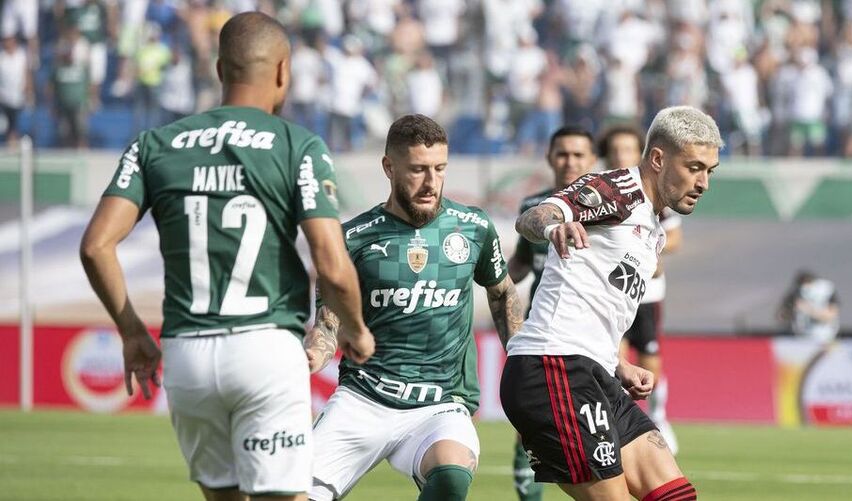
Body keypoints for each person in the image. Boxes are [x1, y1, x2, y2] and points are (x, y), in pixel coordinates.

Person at [79, 12, 372, 501]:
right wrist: (358, 330)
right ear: (283, 71)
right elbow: (330, 260)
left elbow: (95, 246)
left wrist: (132, 332)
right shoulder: (297, 146)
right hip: (265, 348)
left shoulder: (154, 145)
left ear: (219, 70)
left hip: (187, 353)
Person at [502, 105, 721, 500]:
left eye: (710, 170)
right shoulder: (618, 190)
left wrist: (617, 364)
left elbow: (591, 299)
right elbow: (535, 216)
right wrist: (555, 225)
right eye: (694, 167)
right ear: (657, 158)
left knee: (677, 497)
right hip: (553, 368)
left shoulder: (654, 228)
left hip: (595, 373)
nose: (703, 182)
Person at [306, 114, 524, 501]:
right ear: (389, 167)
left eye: (440, 169)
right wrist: (312, 354)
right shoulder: (352, 239)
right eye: (418, 170)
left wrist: (525, 359)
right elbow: (328, 323)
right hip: (363, 398)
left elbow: (502, 293)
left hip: (439, 404)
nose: (431, 183)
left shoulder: (472, 227)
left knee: (452, 475)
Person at [508, 125, 599, 501]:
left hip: (592, 333)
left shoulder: (607, 211)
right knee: (530, 427)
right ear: (549, 158)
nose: (569, 161)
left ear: (592, 161)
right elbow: (521, 262)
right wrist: (481, 278)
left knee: (596, 426)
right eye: (562, 153)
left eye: (578, 155)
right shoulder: (534, 207)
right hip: (541, 330)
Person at [598, 124, 683, 455]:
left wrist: (652, 253)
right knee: (610, 357)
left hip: (647, 293)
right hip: (610, 291)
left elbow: (674, 236)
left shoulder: (656, 190)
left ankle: (658, 416)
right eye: (615, 149)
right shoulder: (601, 190)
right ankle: (612, 420)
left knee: (649, 358)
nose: (621, 155)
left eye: (628, 149)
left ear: (642, 154)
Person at [777, 270, 840, 343]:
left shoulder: (827, 291)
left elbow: (830, 316)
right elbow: (781, 316)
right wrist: (791, 312)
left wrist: (809, 310)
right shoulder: (796, 293)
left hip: (824, 338)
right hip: (800, 338)